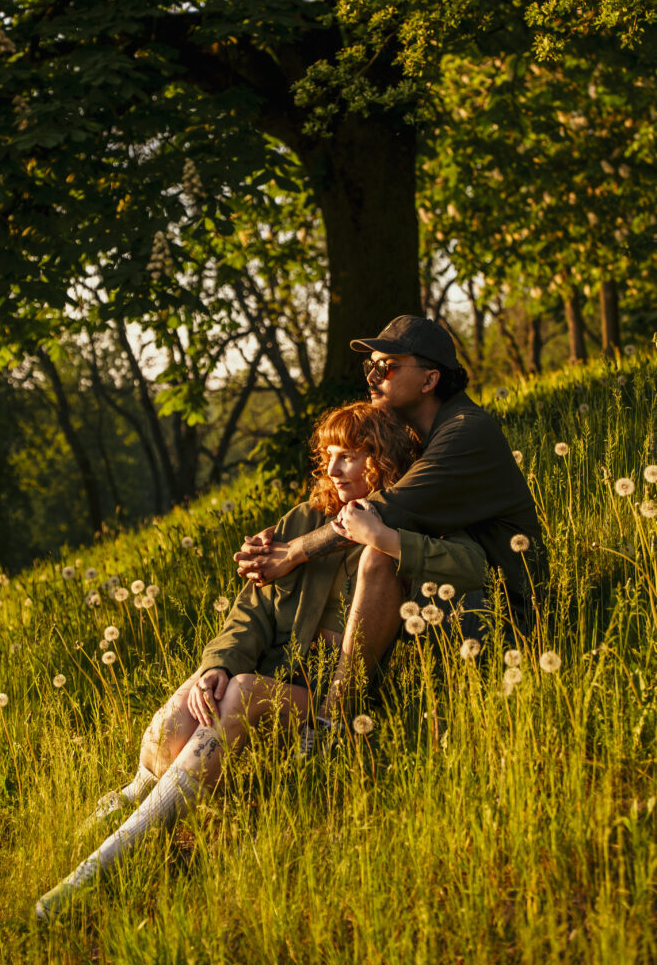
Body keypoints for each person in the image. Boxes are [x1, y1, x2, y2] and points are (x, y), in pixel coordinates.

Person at [35, 400, 487, 919]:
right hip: (276, 676)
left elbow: (474, 566)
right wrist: (216, 668)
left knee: (244, 693)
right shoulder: (306, 520)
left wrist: (384, 539)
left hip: (344, 699)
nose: (335, 469)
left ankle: (92, 873)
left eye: (351, 455)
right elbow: (249, 612)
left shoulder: (417, 516)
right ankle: (137, 797)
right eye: (330, 455)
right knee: (182, 710)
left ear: (381, 458)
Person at [234, 315, 547, 742]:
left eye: (388, 366)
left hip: (499, 603)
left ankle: (333, 725)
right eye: (371, 367)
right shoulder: (423, 436)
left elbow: (381, 509)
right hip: (447, 593)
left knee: (379, 553)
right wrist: (278, 536)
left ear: (430, 379)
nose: (373, 375)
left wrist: (293, 552)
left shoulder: (464, 432)